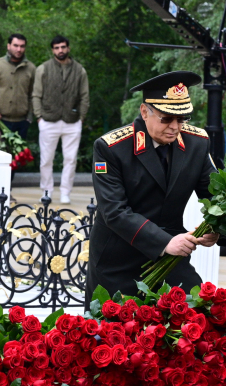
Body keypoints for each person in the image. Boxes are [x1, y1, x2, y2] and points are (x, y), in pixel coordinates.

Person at [85, 71, 219, 304]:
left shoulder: (196, 143)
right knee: (116, 326)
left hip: (171, 260)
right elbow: (114, 211)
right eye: (166, 118)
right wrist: (164, 242)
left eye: (182, 118)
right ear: (145, 112)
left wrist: (217, 229)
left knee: (200, 313)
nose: (175, 127)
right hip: (119, 260)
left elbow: (216, 195)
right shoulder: (111, 148)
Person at [32, 36, 90, 204]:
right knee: (46, 159)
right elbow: (36, 95)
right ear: (53, 50)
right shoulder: (43, 68)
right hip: (48, 120)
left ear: (68, 48)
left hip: (72, 121)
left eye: (63, 47)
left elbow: (85, 96)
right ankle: (46, 191)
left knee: (71, 159)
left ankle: (65, 192)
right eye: (57, 48)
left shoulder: (80, 70)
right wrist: (39, 117)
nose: (60, 50)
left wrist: (81, 117)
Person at [0, 34, 35, 148]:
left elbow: (34, 94)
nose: (19, 49)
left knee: (19, 158)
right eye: (15, 45)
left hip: (22, 123)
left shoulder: (31, 68)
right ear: (8, 46)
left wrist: (30, 116)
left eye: (22, 46)